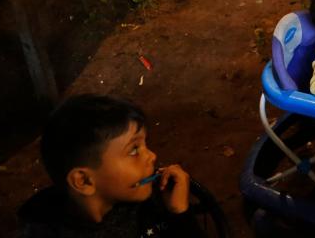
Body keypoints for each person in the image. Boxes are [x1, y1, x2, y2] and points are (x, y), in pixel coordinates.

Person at [17, 94, 204, 237]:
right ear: (84, 181)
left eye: (144, 145)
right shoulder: (45, 231)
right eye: (133, 150)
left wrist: (179, 212)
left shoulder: (152, 199)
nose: (152, 156)